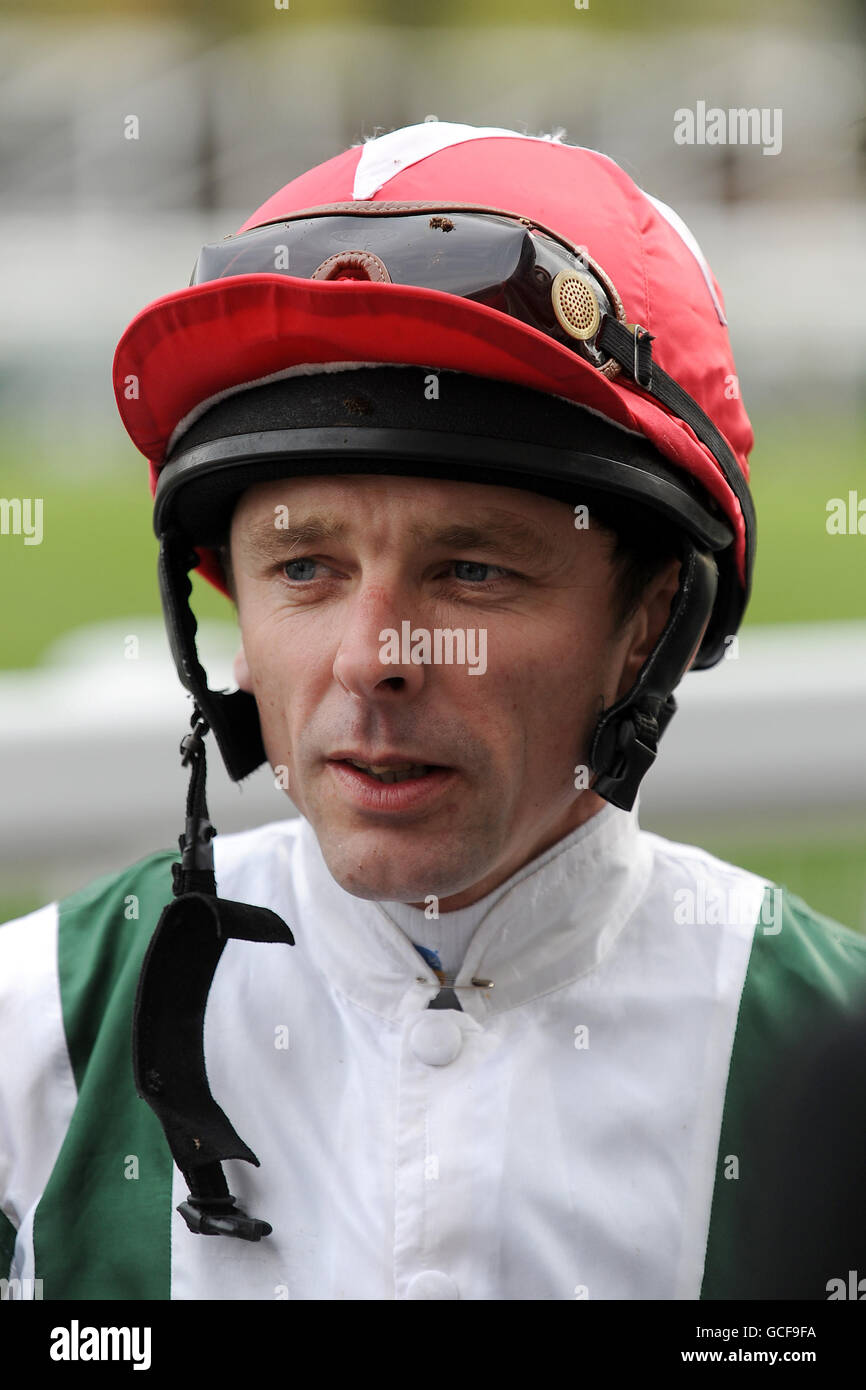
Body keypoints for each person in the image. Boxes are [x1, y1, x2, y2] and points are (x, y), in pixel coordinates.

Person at [2, 120, 864, 1302]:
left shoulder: (835, 1061)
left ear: (647, 624)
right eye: (304, 568)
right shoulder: (26, 1029)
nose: (374, 658)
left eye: (473, 570)